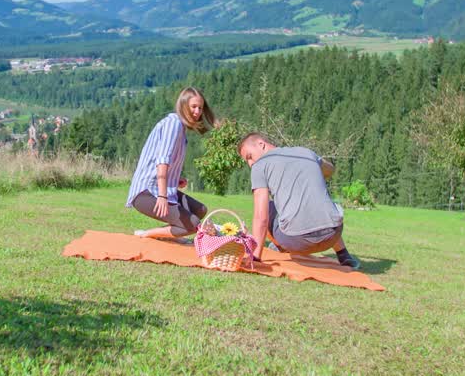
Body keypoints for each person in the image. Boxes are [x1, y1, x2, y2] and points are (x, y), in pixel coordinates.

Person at [237, 132, 360, 269]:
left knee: (270, 207)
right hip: (333, 235)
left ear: (261, 144)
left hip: (297, 242)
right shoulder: (305, 152)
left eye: (249, 157)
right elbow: (330, 169)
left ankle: (280, 246)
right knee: (322, 204)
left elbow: (261, 217)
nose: (250, 164)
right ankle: (343, 255)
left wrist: (255, 256)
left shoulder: (260, 166)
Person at [127, 87, 216, 239]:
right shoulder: (173, 124)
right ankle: (147, 235)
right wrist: (162, 197)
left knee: (200, 210)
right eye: (193, 107)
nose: (197, 112)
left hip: (162, 189)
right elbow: (162, 161)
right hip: (146, 192)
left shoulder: (180, 128)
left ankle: (166, 233)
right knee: (194, 224)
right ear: (183, 105)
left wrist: (176, 179)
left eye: (200, 108)